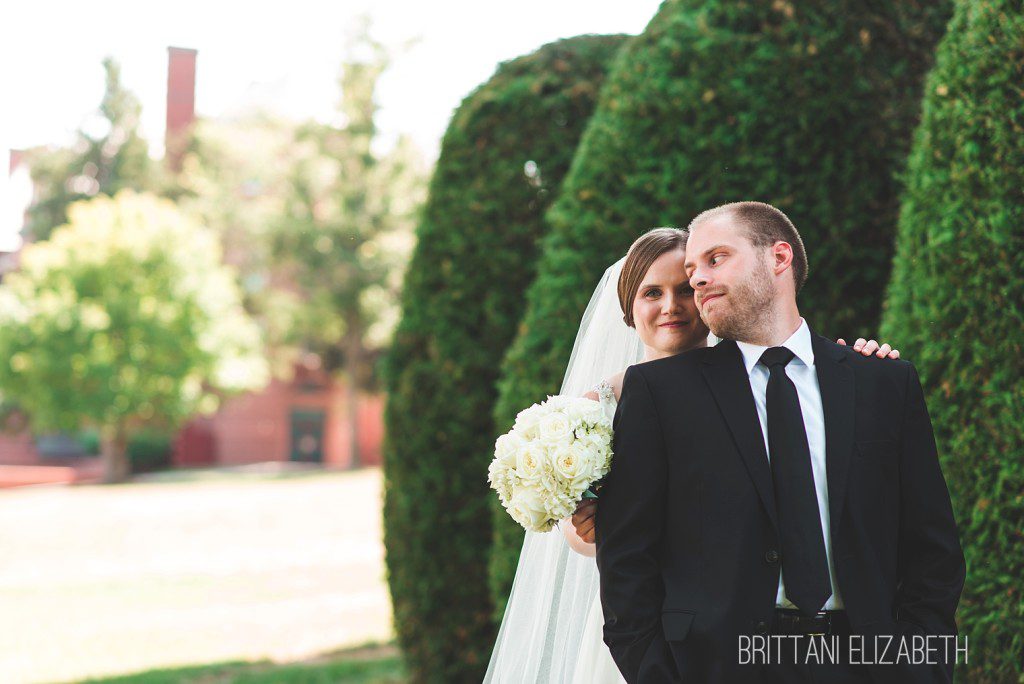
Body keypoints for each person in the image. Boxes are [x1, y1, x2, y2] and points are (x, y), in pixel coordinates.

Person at [484, 225, 900, 683]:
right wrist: (594, 522)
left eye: (684, 290)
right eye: (651, 293)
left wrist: (857, 369)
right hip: (648, 626)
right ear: (628, 308)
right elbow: (581, 535)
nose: (671, 306)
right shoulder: (594, 412)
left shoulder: (762, 378)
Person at [595, 202, 965, 684]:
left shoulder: (884, 383)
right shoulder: (658, 393)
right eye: (692, 269)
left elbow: (932, 549)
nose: (698, 280)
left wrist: (922, 669)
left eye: (716, 259)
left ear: (779, 257)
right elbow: (626, 564)